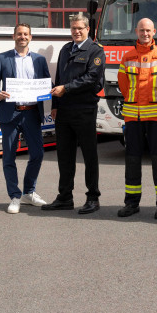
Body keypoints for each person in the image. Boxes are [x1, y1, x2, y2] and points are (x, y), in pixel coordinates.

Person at [42, 13, 106, 215]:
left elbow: (91, 78)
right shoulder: (66, 49)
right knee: (65, 156)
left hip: (85, 109)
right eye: (73, 29)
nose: (76, 32)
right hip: (65, 111)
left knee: (89, 155)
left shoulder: (95, 51)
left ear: (88, 29)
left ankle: (93, 197)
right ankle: (65, 197)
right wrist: (55, 105)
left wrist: (66, 89)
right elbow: (59, 77)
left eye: (80, 28)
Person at [115, 18, 157, 219]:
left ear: (154, 31)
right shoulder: (128, 57)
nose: (145, 33)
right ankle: (131, 203)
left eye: (148, 30)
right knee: (132, 160)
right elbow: (123, 85)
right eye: (142, 30)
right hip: (133, 115)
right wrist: (134, 101)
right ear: (136, 32)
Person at [0, 23, 50, 214]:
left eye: (25, 34)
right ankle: (15, 196)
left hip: (32, 113)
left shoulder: (39, 60)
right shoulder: (2, 58)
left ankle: (29, 192)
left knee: (38, 154)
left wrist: (52, 90)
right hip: (11, 113)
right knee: (9, 156)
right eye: (19, 34)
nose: (22, 37)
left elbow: (47, 82)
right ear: (13, 37)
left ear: (30, 37)